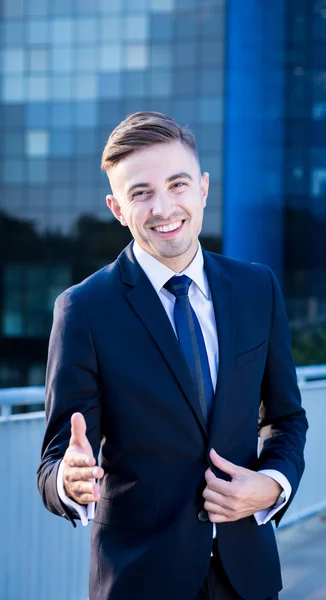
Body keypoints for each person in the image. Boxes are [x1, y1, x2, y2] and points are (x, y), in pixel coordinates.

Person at [37, 112, 308, 600]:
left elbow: (286, 418)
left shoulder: (257, 289)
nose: (164, 208)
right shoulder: (83, 310)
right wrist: (68, 480)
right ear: (117, 208)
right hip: (141, 580)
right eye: (140, 193)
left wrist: (272, 485)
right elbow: (57, 459)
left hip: (248, 577)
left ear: (203, 187)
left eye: (177, 184)